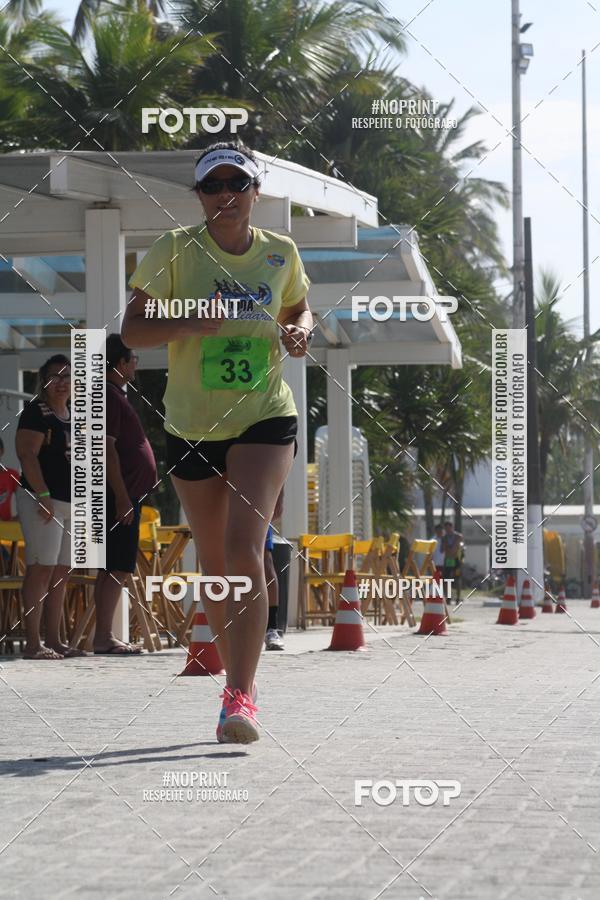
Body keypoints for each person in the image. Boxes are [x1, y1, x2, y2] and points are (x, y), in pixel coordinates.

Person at [122, 141, 312, 743]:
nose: (225, 195)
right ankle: (231, 679)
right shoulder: (174, 251)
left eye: (238, 184)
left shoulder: (280, 253)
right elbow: (131, 330)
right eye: (212, 186)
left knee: (243, 545)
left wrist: (300, 331)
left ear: (255, 193)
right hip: (191, 424)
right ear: (200, 196)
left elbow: (300, 308)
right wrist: (191, 321)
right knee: (215, 564)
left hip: (264, 415)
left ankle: (242, 695)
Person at [93, 334, 157, 654]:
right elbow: (108, 449)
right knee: (116, 566)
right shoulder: (108, 395)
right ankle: (103, 635)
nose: (136, 365)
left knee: (112, 565)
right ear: (121, 363)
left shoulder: (115, 394)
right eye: (134, 359)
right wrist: (120, 495)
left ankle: (103, 634)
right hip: (121, 493)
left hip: (126, 491)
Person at [15, 354, 78, 659]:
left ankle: (54, 640)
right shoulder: (34, 413)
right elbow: (27, 454)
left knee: (62, 571)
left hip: (70, 502)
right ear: (44, 380)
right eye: (55, 376)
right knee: (41, 569)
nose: (61, 383)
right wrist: (42, 494)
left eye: (67, 377)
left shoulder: (75, 415)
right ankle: (32, 643)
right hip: (41, 500)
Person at [264, 488, 284, 651]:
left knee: (266, 561)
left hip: (258, 499)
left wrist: (279, 494)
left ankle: (272, 628)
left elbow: (284, 461)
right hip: (225, 493)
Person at [442, 520, 464, 605]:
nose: (447, 530)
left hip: (456, 560)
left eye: (448, 528)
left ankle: (458, 598)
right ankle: (448, 597)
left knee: (457, 579)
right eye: (446, 529)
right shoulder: (444, 537)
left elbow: (460, 548)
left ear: (452, 527)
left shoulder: (458, 536)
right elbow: (442, 549)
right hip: (448, 560)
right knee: (446, 579)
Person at [0, 437, 19, 522]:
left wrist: (19, 517)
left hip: (6, 529)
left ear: (2, 451)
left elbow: (25, 498)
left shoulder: (12, 475)